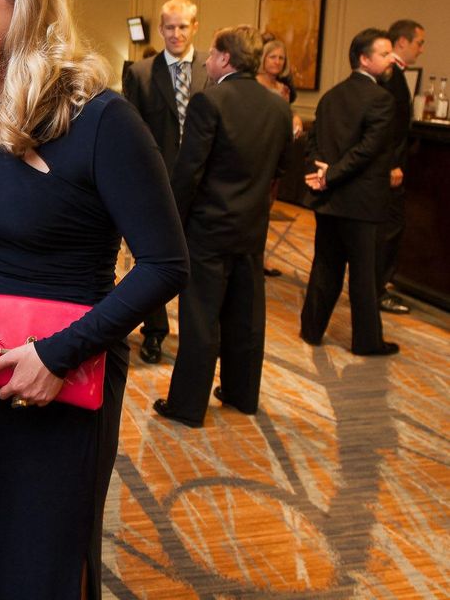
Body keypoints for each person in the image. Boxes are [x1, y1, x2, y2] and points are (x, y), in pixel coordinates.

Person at [0, 0, 188, 599]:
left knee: (47, 558)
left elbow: (166, 263)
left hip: (67, 371)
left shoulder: (104, 121)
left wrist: (56, 354)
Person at [153, 26, 293, 428]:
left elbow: (189, 172)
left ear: (226, 59)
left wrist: (171, 224)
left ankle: (187, 405)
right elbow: (280, 170)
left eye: (212, 54)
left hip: (208, 229)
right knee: (246, 317)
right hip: (252, 227)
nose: (208, 61)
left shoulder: (208, 102)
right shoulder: (279, 107)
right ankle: (241, 394)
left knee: (201, 318)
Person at [300, 28, 398, 356]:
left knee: (325, 267)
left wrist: (321, 173)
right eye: (385, 55)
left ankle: (311, 330)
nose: (391, 61)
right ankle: (367, 342)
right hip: (360, 203)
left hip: (328, 200)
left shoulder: (331, 95)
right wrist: (331, 176)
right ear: (364, 59)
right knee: (364, 275)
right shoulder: (383, 100)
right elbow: (367, 150)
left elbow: (314, 141)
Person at [122, 0, 208, 364]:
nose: (175, 34)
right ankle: (154, 330)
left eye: (183, 27)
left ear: (195, 27)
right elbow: (132, 134)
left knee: (199, 263)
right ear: (160, 29)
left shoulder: (211, 69)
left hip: (203, 186)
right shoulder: (141, 73)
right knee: (154, 260)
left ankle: (197, 335)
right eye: (169, 27)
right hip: (156, 184)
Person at [376, 19, 425, 315]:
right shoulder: (390, 74)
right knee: (388, 229)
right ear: (402, 42)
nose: (422, 49)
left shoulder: (394, 73)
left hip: (389, 164)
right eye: (419, 42)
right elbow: (387, 125)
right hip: (387, 168)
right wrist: (393, 163)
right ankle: (377, 290)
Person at [255, 38, 304, 277]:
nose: (276, 61)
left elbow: (287, 115)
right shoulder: (253, 84)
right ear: (263, 58)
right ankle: (251, 259)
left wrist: (294, 119)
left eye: (281, 58)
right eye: (272, 56)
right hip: (256, 153)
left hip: (277, 155)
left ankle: (260, 259)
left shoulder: (283, 89)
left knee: (267, 209)